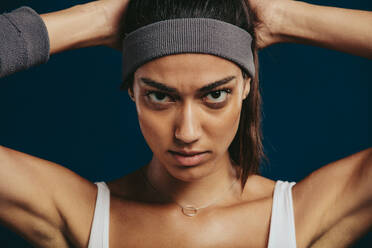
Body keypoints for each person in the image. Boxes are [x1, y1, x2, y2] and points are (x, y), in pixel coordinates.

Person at [0, 0, 371, 248]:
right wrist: (95, 19)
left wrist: (284, 18)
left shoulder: (302, 215)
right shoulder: (78, 213)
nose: (187, 132)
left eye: (214, 95)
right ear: (132, 90)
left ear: (246, 84)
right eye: (161, 96)